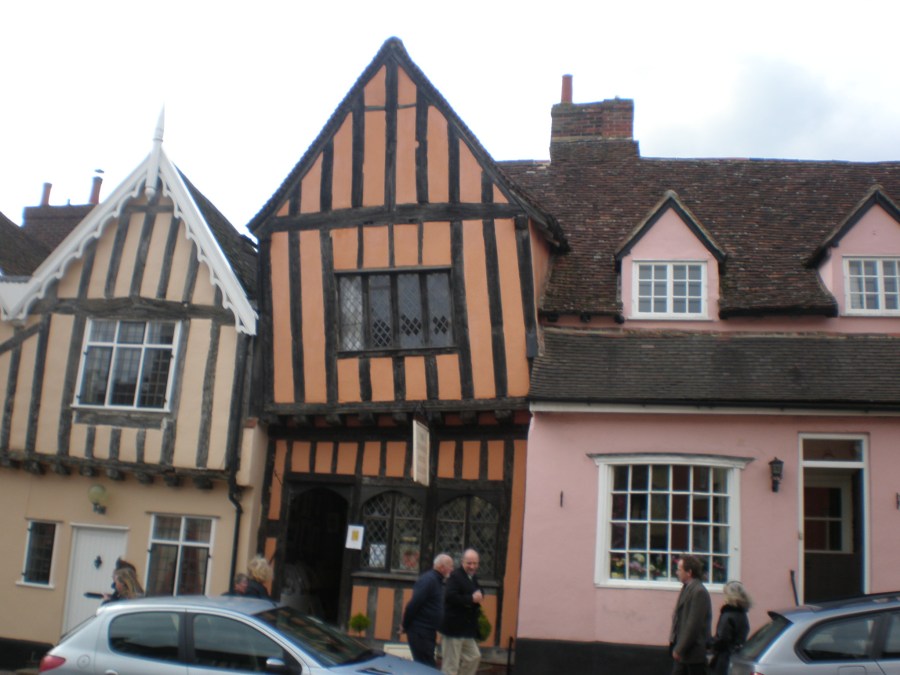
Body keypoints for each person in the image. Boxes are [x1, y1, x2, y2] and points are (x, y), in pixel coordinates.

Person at [401, 553, 454, 667]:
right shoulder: (428, 580)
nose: (452, 569)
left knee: (425, 665)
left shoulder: (437, 581)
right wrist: (405, 625)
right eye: (450, 566)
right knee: (426, 666)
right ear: (441, 567)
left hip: (428, 632)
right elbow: (413, 605)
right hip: (420, 631)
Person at [440, 549, 484, 675]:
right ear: (462, 562)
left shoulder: (472, 577)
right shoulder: (455, 576)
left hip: (466, 630)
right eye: (469, 563)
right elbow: (450, 597)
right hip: (453, 629)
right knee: (450, 666)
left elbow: (478, 590)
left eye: (475, 563)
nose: (472, 566)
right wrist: (471, 598)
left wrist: (480, 594)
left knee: (474, 657)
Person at [669, 555, 712, 675]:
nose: (677, 572)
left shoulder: (699, 592)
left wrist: (679, 648)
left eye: (679, 569)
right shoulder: (687, 588)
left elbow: (693, 624)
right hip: (684, 653)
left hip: (693, 653)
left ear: (689, 572)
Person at [710, 580, 752, 675]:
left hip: (724, 658)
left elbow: (723, 638)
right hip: (737, 655)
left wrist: (710, 643)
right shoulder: (743, 614)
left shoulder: (728, 615)